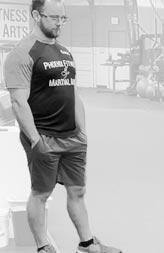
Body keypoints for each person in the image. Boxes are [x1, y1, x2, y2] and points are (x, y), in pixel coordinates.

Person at [4, 1, 122, 252]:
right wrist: (35, 141)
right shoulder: (22, 53)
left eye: (63, 18)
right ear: (36, 15)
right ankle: (43, 246)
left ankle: (87, 244)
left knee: (77, 190)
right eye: (54, 17)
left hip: (72, 137)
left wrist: (83, 132)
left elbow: (74, 94)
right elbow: (18, 102)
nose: (59, 23)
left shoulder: (64, 52)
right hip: (44, 136)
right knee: (41, 193)